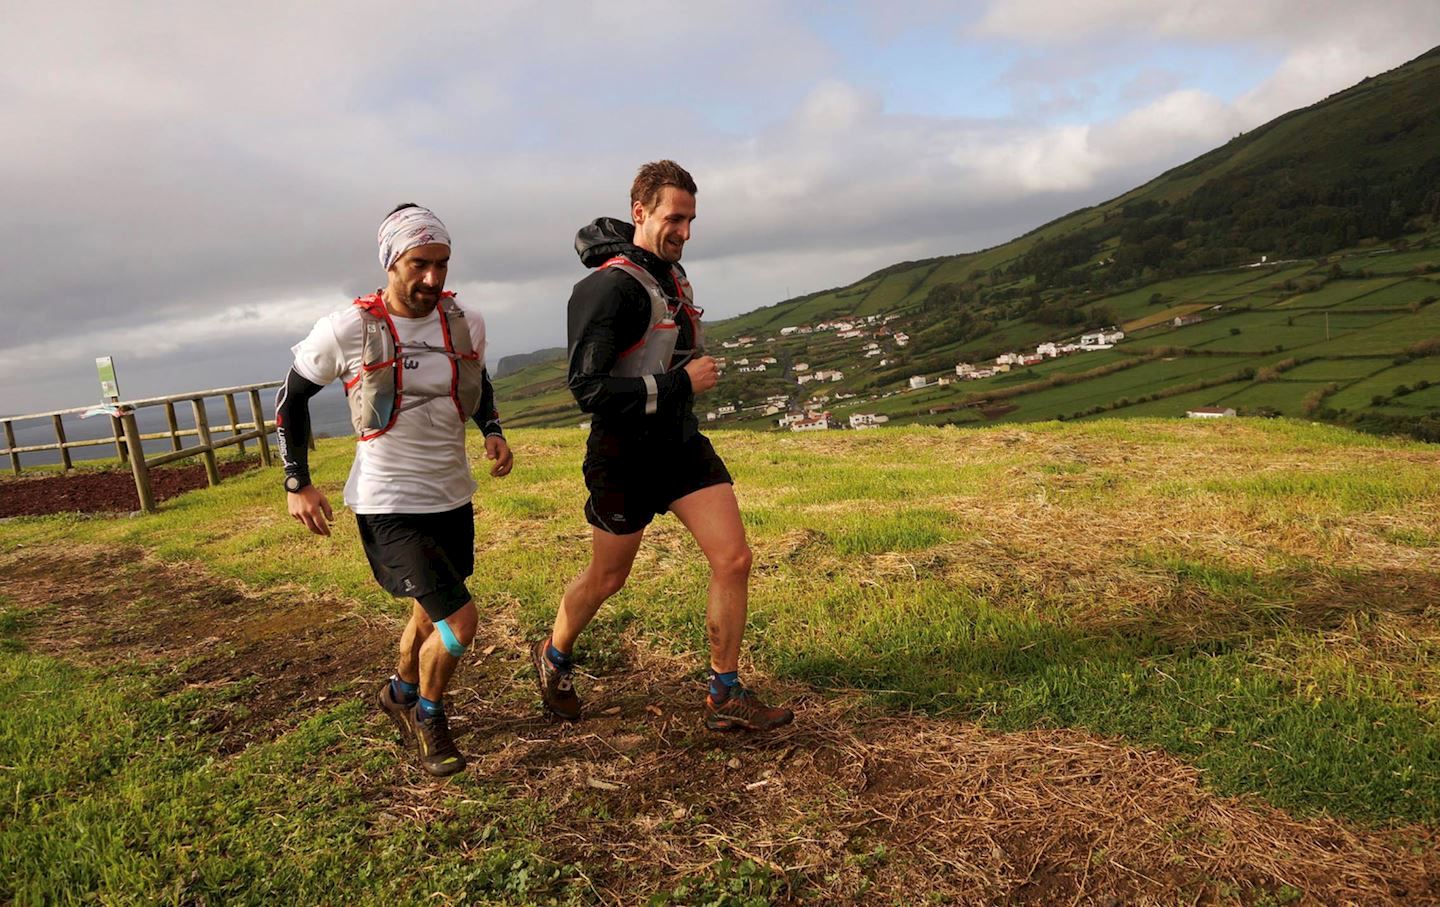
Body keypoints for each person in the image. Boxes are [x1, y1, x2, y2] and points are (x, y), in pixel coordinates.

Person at [531, 160, 793, 732]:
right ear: (640, 212)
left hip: (679, 446)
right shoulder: (606, 289)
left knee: (734, 558)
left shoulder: (669, 277)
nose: (686, 232)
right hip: (622, 456)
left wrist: (680, 391)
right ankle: (553, 654)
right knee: (607, 577)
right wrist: (682, 382)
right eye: (676, 218)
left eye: (692, 220)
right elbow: (588, 390)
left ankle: (724, 694)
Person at [275, 204, 513, 777]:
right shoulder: (349, 327)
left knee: (429, 612)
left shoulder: (465, 322)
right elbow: (291, 400)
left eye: (442, 264)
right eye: (419, 264)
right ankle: (428, 716)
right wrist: (297, 481)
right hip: (388, 501)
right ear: (390, 261)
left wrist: (494, 431)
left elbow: (476, 381)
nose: (433, 279)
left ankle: (399, 691)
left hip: (451, 494)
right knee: (460, 622)